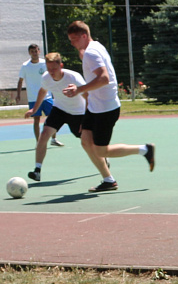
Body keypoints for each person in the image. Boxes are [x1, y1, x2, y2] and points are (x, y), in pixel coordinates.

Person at [63, 21, 154, 192]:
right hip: (95, 107)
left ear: (84, 36)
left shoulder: (91, 53)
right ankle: (108, 180)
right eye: (70, 40)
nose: (72, 43)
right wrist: (86, 110)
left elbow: (104, 78)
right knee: (85, 141)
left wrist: (78, 90)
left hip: (106, 109)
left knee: (101, 151)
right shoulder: (94, 46)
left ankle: (145, 150)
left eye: (74, 39)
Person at [26, 52, 87, 182]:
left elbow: (88, 97)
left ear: (61, 65)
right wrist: (34, 109)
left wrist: (87, 119)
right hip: (59, 109)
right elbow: (43, 91)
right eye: (49, 69)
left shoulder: (74, 77)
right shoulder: (46, 77)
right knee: (44, 135)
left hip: (77, 112)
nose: (51, 72)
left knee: (87, 142)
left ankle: (104, 158)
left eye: (54, 69)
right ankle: (37, 170)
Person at [16, 44, 61, 146]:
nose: (34, 53)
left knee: (52, 117)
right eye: (32, 51)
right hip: (33, 97)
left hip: (47, 96)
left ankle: (53, 139)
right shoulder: (25, 66)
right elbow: (20, 80)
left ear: (39, 51)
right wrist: (18, 94)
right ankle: (39, 142)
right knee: (36, 119)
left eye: (36, 51)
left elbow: (52, 77)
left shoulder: (44, 64)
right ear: (29, 53)